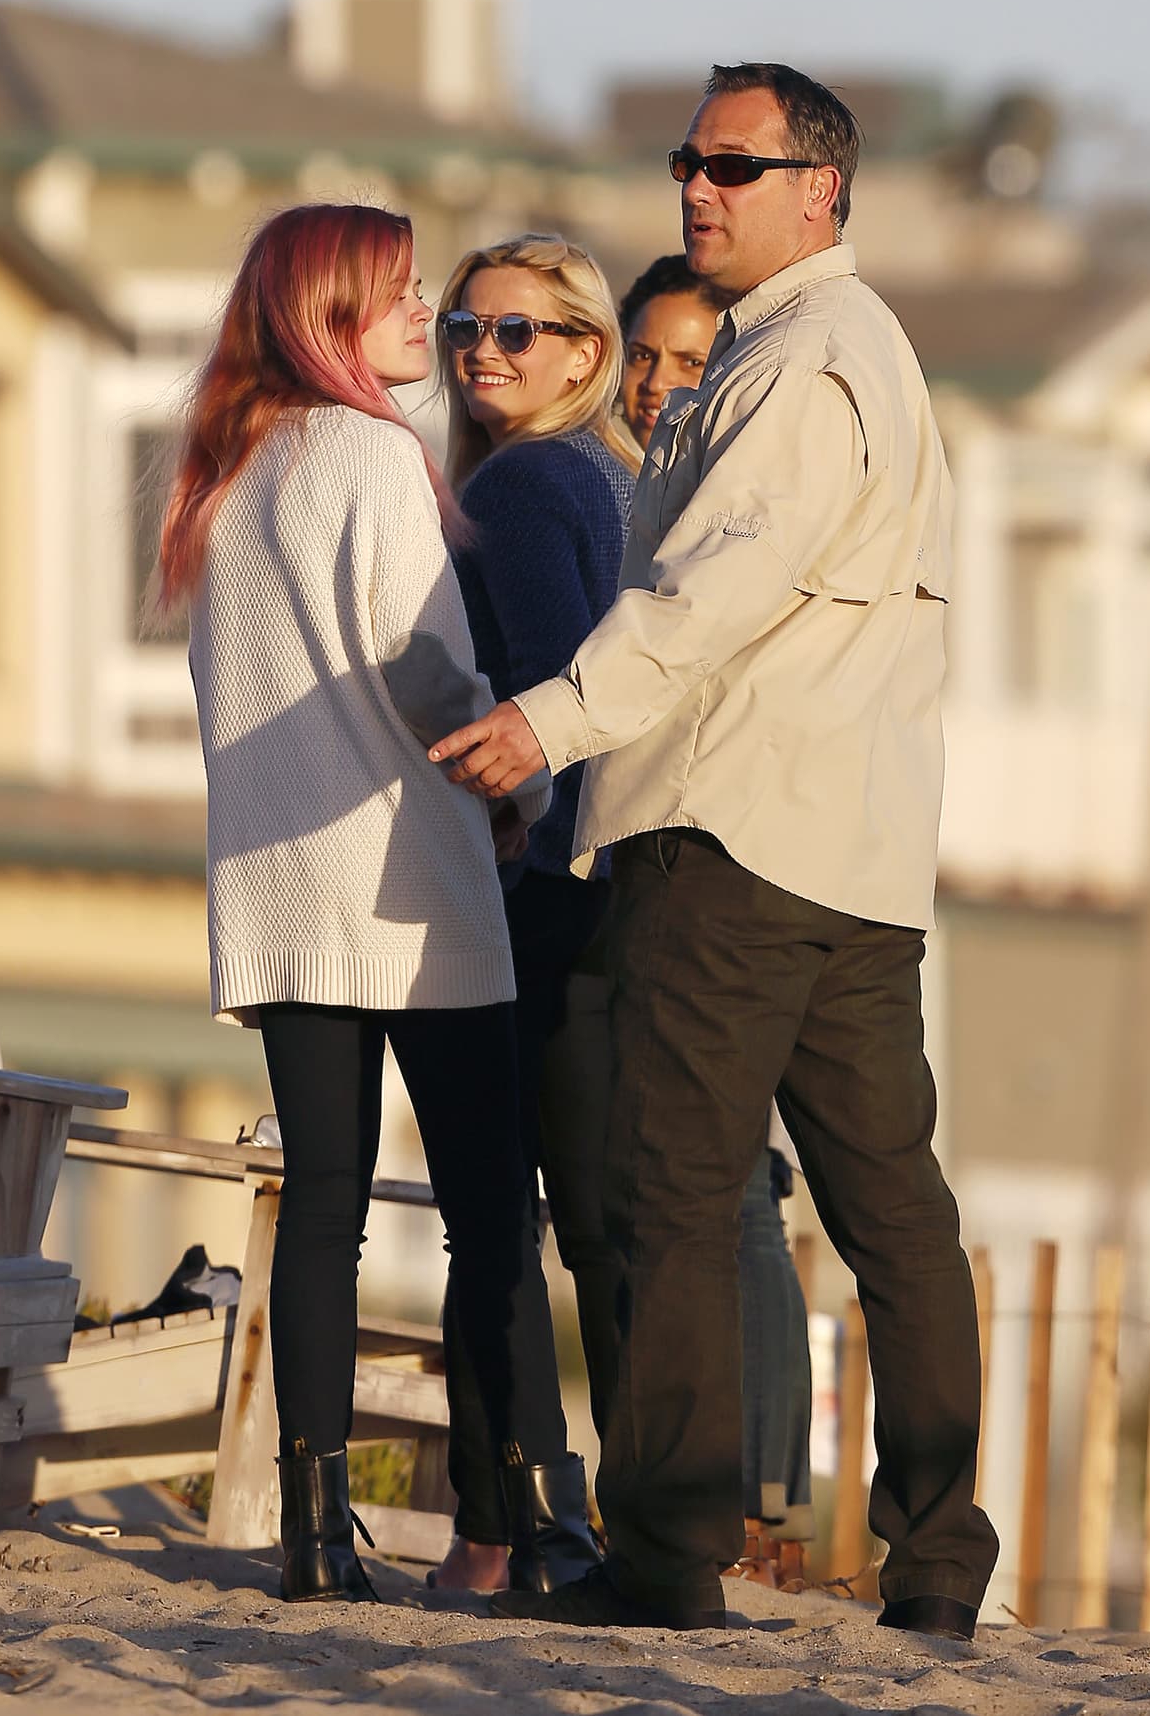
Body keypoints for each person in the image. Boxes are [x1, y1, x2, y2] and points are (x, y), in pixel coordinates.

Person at [428, 63, 1000, 1638]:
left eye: (733, 167)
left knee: (679, 1192)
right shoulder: (810, 354)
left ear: (822, 189)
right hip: (845, 853)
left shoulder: (811, 360)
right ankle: (938, 1560)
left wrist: (549, 721)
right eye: (688, 161)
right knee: (892, 1210)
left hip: (741, 840)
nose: (697, 188)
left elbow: (716, 593)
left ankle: (673, 1559)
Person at [155, 202, 596, 1605]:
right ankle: (534, 1516)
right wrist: (508, 779)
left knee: (325, 1213)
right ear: (333, 311)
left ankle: (313, 1527)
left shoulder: (231, 471)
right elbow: (424, 663)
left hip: (281, 885)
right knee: (484, 1207)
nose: (436, 322)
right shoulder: (372, 453)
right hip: (407, 881)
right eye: (407, 296)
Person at [428, 233, 637, 1592]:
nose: (481, 351)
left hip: (540, 895)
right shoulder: (620, 480)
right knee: (615, 1221)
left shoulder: (517, 486)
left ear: (583, 351)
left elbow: (559, 692)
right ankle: (643, 1519)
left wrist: (525, 839)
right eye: (465, 325)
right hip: (624, 888)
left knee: (494, 1219)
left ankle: (507, 1531)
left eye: (517, 331)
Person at [619, 256, 814, 1589]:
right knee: (714, 1183)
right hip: (652, 860)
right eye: (645, 352)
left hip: (733, 863)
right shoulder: (638, 488)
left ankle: (761, 1502)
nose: (657, 381)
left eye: (688, 361)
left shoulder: (730, 500)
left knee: (737, 1187)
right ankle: (736, 1497)